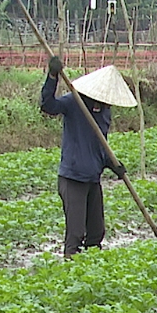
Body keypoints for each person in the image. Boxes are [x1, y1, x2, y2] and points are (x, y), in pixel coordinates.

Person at [40, 56, 138, 258]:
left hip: (93, 178)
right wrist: (52, 76)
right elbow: (48, 105)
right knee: (75, 234)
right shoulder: (75, 102)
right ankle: (71, 271)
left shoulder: (105, 112)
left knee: (96, 233)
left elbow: (100, 147)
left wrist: (114, 165)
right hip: (73, 178)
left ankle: (92, 273)